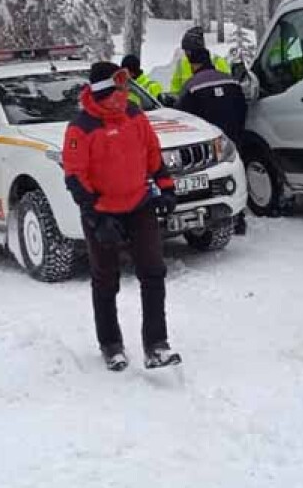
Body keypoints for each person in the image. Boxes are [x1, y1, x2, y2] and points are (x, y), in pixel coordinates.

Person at [63, 61, 183, 371]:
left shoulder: (134, 115)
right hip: (103, 212)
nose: (125, 91)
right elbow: (75, 176)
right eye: (119, 86)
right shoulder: (81, 126)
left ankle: (156, 345)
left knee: (153, 272)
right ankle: (110, 345)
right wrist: (95, 217)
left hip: (139, 203)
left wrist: (166, 188)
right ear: (105, 90)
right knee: (106, 280)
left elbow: (153, 154)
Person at [176, 47, 249, 235]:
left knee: (213, 180)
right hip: (234, 135)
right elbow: (243, 105)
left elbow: (182, 116)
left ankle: (212, 216)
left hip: (209, 142)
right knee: (236, 174)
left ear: (195, 64)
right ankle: (239, 217)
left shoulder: (191, 86)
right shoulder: (230, 80)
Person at [169, 26, 231, 94]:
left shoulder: (217, 61)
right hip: (188, 102)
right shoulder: (182, 63)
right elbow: (174, 88)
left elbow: (228, 87)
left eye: (189, 50)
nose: (187, 53)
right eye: (185, 50)